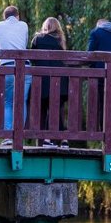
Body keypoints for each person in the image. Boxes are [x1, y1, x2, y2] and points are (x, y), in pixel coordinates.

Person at [0, 4, 29, 135]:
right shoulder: (24, 25)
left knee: (8, 102)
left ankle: (7, 136)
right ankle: (19, 135)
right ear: (18, 16)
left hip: (8, 67)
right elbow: (25, 43)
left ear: (4, 17)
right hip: (25, 67)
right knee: (21, 101)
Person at [29, 17, 69, 145]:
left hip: (43, 80)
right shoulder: (59, 40)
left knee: (46, 108)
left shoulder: (38, 39)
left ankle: (46, 139)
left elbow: (31, 57)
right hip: (59, 80)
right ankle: (63, 139)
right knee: (57, 109)